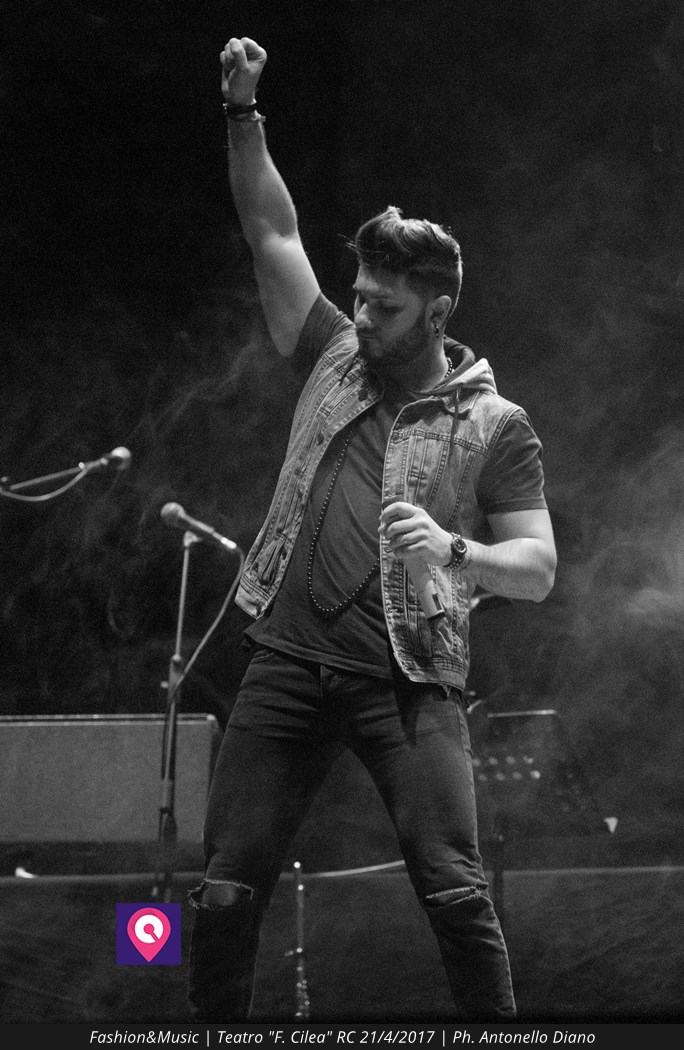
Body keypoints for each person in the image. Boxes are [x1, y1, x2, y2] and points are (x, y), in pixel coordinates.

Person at [187, 35, 557, 1022]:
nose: (360, 314)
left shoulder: (495, 425)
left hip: (406, 677)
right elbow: (271, 229)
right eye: (357, 295)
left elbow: (538, 568)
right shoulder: (332, 353)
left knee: (456, 893)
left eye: (384, 306)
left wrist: (453, 548)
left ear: (437, 312)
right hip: (287, 661)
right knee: (223, 893)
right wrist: (242, 111)